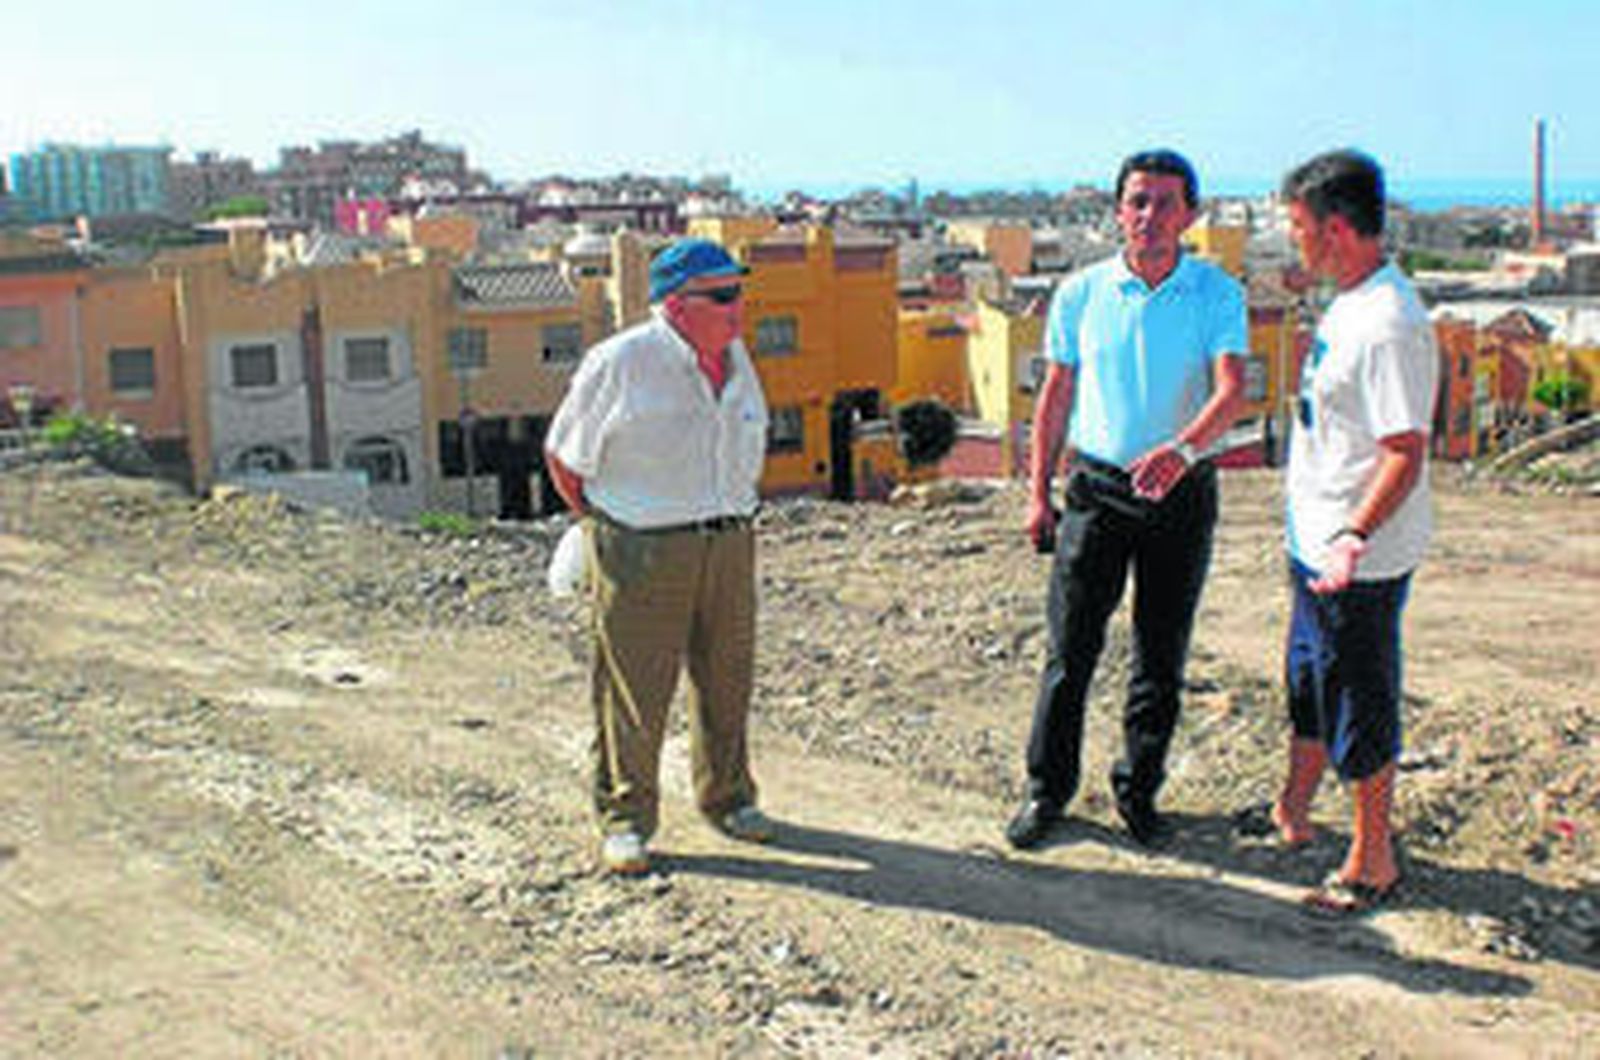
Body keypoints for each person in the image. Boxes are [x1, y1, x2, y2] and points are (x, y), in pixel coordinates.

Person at [1006, 149, 1248, 850]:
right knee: (1069, 651)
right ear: (1118, 210)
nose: (1150, 216)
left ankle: (1138, 792)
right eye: (1138, 201)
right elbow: (1055, 396)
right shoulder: (1081, 292)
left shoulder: (1216, 293)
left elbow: (1232, 390)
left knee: (1160, 655)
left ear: (1190, 215)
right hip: (1098, 491)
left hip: (1181, 492)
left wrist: (1181, 451)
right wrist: (1037, 494)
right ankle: (1046, 791)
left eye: (1166, 202)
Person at [545, 238, 774, 876]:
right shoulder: (620, 362)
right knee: (635, 692)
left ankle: (728, 799)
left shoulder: (735, 357)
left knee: (727, 681)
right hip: (642, 546)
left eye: (740, 292)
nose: (738, 308)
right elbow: (566, 459)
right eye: (723, 296)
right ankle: (625, 819)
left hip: (728, 539)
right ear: (676, 304)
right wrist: (606, 525)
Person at [1271, 150, 1438, 914]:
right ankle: (1294, 814)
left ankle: (1373, 860)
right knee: (1310, 680)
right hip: (1317, 543)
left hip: (1355, 560)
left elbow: (1405, 452)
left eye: (1300, 229)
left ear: (1336, 229)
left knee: (1358, 697)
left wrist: (1352, 536)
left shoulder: (1390, 325)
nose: (1293, 242)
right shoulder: (1353, 299)